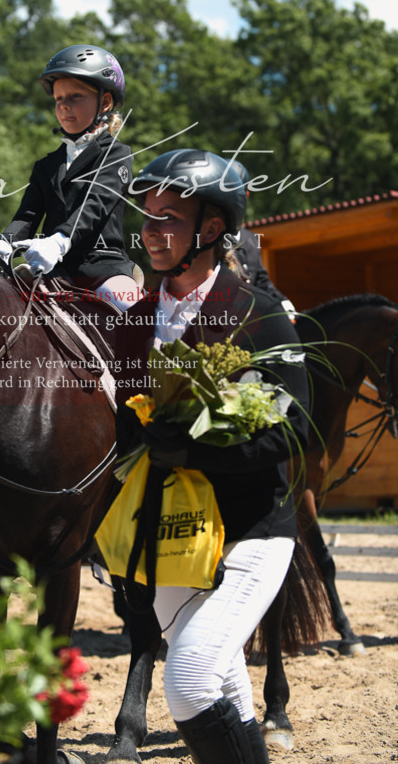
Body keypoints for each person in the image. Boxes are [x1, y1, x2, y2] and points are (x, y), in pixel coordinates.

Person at [114, 149, 309, 764]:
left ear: (213, 228)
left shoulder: (258, 312)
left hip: (252, 529)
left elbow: (296, 432)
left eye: (168, 217)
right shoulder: (138, 320)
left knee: (190, 681)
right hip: (170, 533)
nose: (151, 230)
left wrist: (196, 451)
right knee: (224, 685)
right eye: (147, 218)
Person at [0, 44, 140, 309]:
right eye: (58, 99)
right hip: (49, 269)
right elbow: (27, 216)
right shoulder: (46, 165)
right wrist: (3, 242)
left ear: (104, 102)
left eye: (76, 96)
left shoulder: (116, 154)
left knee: (137, 316)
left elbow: (94, 205)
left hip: (102, 270)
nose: (64, 106)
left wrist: (58, 241)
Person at [229, 160, 296, 318]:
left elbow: (261, 282)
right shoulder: (207, 238)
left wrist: (284, 304)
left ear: (246, 196)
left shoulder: (251, 239)